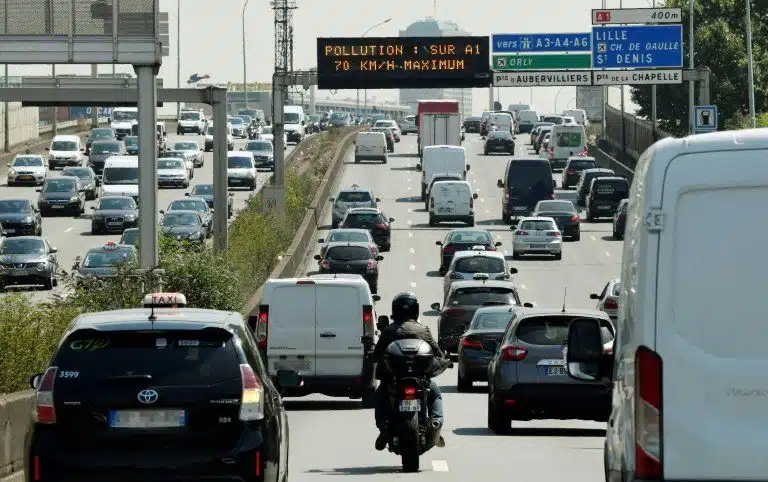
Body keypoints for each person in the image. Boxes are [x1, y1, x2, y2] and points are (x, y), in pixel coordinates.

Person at [371, 292, 447, 451]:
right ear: (415, 310)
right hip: (418, 378)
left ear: (395, 310)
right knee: (435, 393)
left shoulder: (389, 330)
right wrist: (444, 359)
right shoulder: (423, 330)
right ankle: (436, 422)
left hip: (393, 379)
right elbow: (438, 352)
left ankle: (383, 428)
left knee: (380, 396)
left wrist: (372, 358)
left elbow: (376, 354)